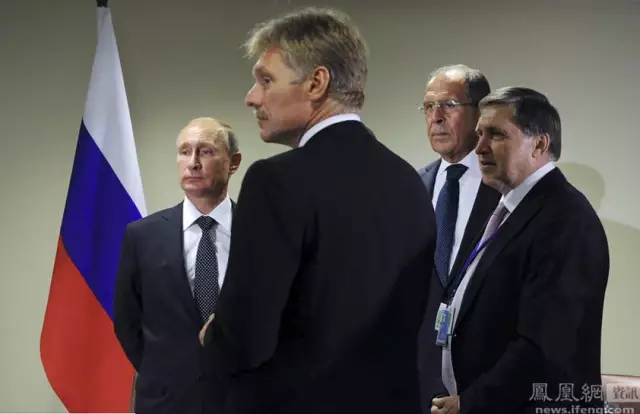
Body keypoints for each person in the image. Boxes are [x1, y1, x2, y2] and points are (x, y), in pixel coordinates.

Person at [201, 8, 436, 414]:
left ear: (316, 82)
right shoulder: (410, 183)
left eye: (266, 80)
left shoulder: (274, 182)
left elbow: (245, 338)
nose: (251, 97)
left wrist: (213, 337)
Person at [430, 87, 609, 414]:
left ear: (539, 144)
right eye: (479, 134)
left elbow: (543, 347)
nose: (479, 147)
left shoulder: (566, 219)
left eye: (496, 135)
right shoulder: (509, 210)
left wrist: (471, 403)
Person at [114, 117, 241, 414]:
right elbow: (127, 321)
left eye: (206, 151)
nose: (193, 162)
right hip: (166, 401)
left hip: (244, 398)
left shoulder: (262, 230)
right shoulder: (142, 235)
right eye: (185, 151)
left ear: (233, 162)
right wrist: (164, 372)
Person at [415, 65, 500, 412]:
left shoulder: (506, 189)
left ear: (480, 113)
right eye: (428, 107)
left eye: (448, 105)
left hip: (483, 382)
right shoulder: (412, 187)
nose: (436, 117)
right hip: (417, 381)